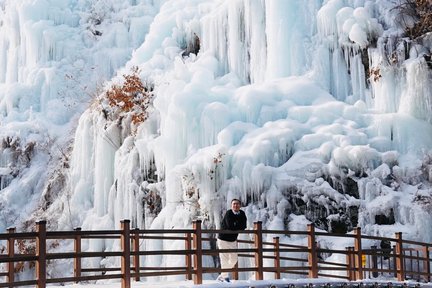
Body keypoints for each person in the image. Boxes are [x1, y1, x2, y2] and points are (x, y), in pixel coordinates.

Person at [216, 198, 247, 282]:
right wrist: (237, 225)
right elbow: (230, 226)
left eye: (237, 204)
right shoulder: (229, 213)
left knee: (234, 259)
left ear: (240, 205)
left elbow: (244, 226)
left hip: (232, 240)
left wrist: (236, 225)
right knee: (224, 258)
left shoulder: (242, 214)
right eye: (234, 204)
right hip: (223, 239)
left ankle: (222, 275)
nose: (235, 205)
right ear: (231, 205)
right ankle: (225, 277)